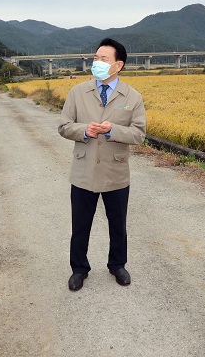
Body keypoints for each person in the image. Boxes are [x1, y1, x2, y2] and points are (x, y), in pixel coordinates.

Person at [58, 38, 146, 291]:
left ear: (118, 65)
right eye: (95, 58)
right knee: (80, 224)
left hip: (115, 171)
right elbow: (63, 126)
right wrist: (84, 129)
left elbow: (139, 134)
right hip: (84, 170)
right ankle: (79, 268)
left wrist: (112, 130)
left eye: (103, 59)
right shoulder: (78, 92)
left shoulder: (132, 97)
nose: (96, 62)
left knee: (118, 223)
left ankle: (117, 264)